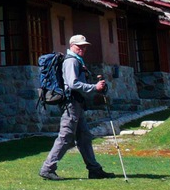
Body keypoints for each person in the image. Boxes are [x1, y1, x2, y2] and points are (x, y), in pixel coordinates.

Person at [39, 35, 118, 180]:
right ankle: (47, 168)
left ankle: (94, 169)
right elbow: (73, 83)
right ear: (72, 45)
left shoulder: (77, 61)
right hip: (71, 103)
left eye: (85, 46)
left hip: (77, 103)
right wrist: (95, 87)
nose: (83, 48)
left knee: (84, 137)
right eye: (79, 46)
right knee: (66, 136)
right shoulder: (71, 61)